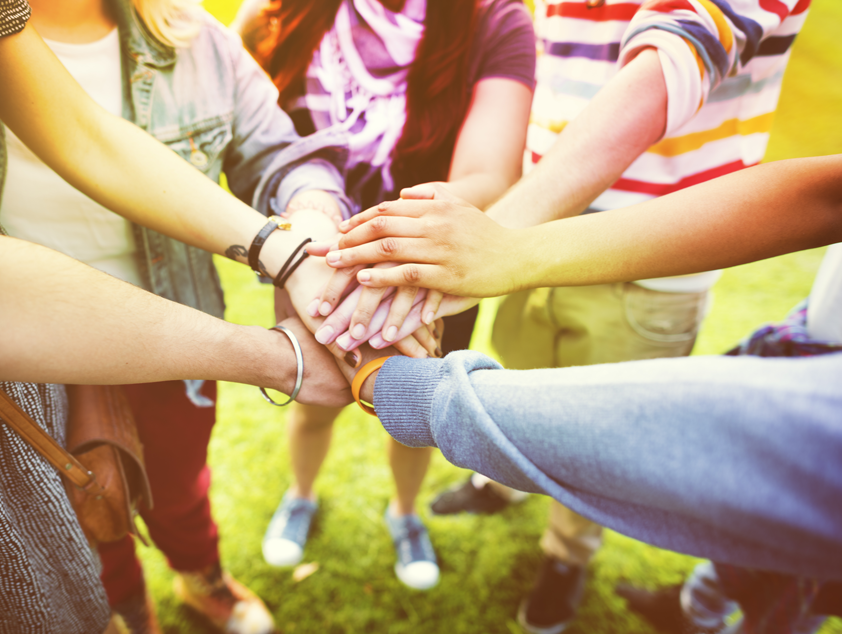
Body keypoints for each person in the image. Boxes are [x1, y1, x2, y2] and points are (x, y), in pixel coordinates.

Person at [312, 0, 813, 626]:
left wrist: (503, 239)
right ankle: (498, 485)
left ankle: (566, 555)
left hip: (648, 253)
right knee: (523, 372)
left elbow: (667, 69)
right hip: (535, 224)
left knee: (598, 430)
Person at [0, 1, 357, 631]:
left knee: (180, 488)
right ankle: (129, 611)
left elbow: (273, 154)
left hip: (173, 334)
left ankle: (202, 581)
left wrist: (305, 236)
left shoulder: (193, 37)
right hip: (22, 353)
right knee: (83, 500)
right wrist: (281, 350)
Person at [324, 156, 842, 630]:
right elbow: (827, 194)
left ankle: (566, 558)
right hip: (809, 334)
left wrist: (387, 383)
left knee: (787, 593)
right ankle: (693, 607)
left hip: (652, 267)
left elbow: (641, 433)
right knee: (759, 568)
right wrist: (512, 246)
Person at [233, 0, 535, 590]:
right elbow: (247, 125)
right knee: (316, 399)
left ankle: (405, 511)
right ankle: (300, 495)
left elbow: (490, 174)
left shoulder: (494, 19)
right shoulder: (281, 9)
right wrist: (323, 252)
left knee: (415, 408)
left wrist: (366, 254)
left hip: (423, 271)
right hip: (313, 260)